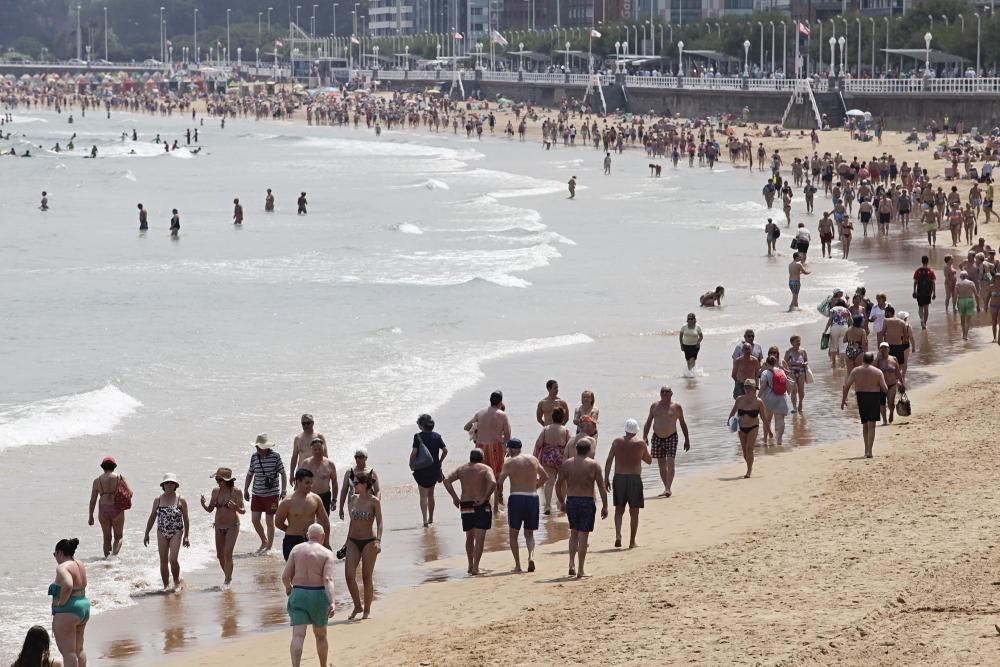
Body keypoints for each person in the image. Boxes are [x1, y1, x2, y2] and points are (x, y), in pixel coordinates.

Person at [282, 523, 336, 667]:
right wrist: (332, 601)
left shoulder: (296, 549)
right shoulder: (326, 553)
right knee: (321, 635)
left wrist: (289, 588)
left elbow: (285, 576)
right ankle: (323, 665)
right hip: (318, 595)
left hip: (298, 593)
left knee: (298, 635)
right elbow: (327, 579)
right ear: (323, 536)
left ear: (307, 536)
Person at [555, 438, 609, 578]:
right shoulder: (593, 465)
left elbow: (558, 484)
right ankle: (580, 569)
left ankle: (571, 564)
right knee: (583, 535)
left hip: (571, 500)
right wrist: (605, 505)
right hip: (587, 501)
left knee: (574, 533)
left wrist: (561, 501)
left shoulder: (567, 464)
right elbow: (601, 487)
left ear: (576, 449)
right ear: (589, 450)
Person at [443, 450, 497, 576]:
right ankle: (476, 568)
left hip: (466, 504)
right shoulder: (485, 468)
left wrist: (455, 498)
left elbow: (446, 480)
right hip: (480, 504)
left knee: (469, 537)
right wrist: (485, 497)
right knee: (480, 538)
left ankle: (470, 565)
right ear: (482, 458)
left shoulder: (462, 469)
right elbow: (493, 482)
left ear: (470, 458)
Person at [496, 438, 546, 572]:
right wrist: (536, 486)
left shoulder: (510, 462)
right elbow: (545, 476)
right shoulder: (533, 459)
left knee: (513, 534)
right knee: (529, 534)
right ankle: (531, 557)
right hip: (532, 498)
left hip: (517, 498)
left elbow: (500, 481)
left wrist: (499, 496)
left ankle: (518, 565)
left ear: (511, 449)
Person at [604, 419, 651, 549]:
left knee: (619, 510)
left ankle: (618, 535)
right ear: (636, 431)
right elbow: (649, 460)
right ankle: (632, 541)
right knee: (634, 512)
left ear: (625, 430)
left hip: (619, 478)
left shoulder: (616, 442)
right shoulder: (640, 443)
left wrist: (606, 479)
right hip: (634, 479)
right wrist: (645, 447)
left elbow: (608, 461)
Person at [343, 472, 382, 619]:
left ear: (366, 485)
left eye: (357, 483)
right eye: (354, 483)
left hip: (369, 541)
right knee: (349, 575)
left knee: (366, 577)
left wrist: (378, 540)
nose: (354, 486)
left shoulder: (374, 501)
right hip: (353, 541)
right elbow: (352, 522)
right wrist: (346, 542)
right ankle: (357, 606)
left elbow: (380, 522)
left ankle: (367, 610)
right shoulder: (353, 499)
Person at [142, 474, 190, 592]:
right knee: (163, 559)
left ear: (175, 485)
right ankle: (165, 585)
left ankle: (176, 582)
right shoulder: (158, 499)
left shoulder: (181, 499)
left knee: (172, 559)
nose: (169, 485)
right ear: (163, 485)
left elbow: (186, 518)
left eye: (171, 483)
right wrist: (146, 533)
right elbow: (152, 517)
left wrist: (186, 536)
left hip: (176, 532)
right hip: (161, 532)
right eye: (167, 483)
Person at [641, 387, 690, 497]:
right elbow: (648, 422)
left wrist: (687, 439)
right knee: (661, 465)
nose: (664, 393)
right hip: (657, 437)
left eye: (666, 392)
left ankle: (667, 488)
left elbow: (683, 423)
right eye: (662, 392)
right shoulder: (654, 406)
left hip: (671, 437)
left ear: (671, 393)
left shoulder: (676, 407)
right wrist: (645, 436)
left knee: (670, 462)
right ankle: (667, 488)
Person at [199, 467, 245, 585]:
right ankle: (228, 576)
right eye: (217, 479)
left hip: (232, 525)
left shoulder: (236, 491)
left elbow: (243, 510)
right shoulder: (215, 491)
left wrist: (236, 507)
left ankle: (227, 581)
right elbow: (210, 509)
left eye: (220, 479)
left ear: (227, 480)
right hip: (219, 526)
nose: (217, 481)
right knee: (220, 555)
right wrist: (203, 504)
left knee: (227, 554)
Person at [244, 433, 287, 554]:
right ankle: (264, 540)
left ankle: (269, 546)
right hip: (257, 493)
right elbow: (250, 474)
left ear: (266, 447)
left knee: (269, 521)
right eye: (257, 447)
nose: (258, 449)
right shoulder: (254, 457)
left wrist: (284, 490)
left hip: (272, 494)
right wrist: (245, 489)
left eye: (260, 447)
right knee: (255, 520)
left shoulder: (275, 456)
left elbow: (283, 473)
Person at [841, 352, 889, 458]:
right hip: (874, 397)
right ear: (872, 360)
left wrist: (843, 400)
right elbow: (885, 388)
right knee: (872, 425)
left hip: (861, 397)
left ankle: (866, 449)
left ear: (863, 359)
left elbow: (846, 386)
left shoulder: (856, 371)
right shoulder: (878, 372)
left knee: (865, 424)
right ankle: (869, 451)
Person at [276, 468, 331, 561]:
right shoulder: (287, 501)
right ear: (298, 482)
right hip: (292, 540)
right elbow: (278, 523)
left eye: (311, 483)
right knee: (293, 573)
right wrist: (291, 530)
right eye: (307, 483)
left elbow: (325, 522)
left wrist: (326, 542)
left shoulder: (316, 499)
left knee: (311, 572)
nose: (310, 485)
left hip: (311, 539)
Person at [48, 538, 87, 667]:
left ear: (59, 552)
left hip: (68, 610)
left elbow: (68, 585)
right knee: (79, 650)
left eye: (55, 554)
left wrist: (61, 602)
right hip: (83, 607)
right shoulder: (79, 564)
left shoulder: (62, 567)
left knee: (69, 653)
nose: (55, 558)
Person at [463, 390, 511, 489]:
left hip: (480, 447)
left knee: (481, 473)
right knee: (497, 474)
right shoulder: (502, 415)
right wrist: (507, 448)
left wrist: (476, 432)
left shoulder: (480, 412)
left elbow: (466, 427)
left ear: (490, 400)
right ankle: (499, 498)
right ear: (500, 401)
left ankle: (484, 498)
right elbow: (507, 435)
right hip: (496, 447)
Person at [87, 456, 129, 559]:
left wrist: (90, 516)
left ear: (102, 467)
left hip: (103, 509)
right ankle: (113, 557)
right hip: (117, 508)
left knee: (106, 538)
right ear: (114, 466)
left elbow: (93, 500)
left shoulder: (97, 481)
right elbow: (129, 493)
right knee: (118, 536)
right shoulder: (120, 477)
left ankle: (107, 560)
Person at [410, 413, 447, 527]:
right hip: (434, 469)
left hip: (421, 469)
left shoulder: (418, 437)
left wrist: (411, 464)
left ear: (421, 425)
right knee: (431, 495)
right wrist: (439, 462)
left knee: (423, 496)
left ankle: (425, 521)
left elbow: (414, 453)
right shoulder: (437, 436)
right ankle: (431, 519)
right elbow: (445, 450)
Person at [533, 407, 570, 514]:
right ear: (563, 419)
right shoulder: (565, 430)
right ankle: (561, 503)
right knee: (563, 482)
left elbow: (539, 443)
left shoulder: (546, 429)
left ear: (552, 418)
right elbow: (570, 444)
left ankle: (548, 506)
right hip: (561, 458)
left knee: (549, 482)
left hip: (548, 457)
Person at [728, 380, 767, 478]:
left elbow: (763, 417)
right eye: (746, 387)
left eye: (750, 387)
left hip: (753, 427)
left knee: (750, 448)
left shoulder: (759, 402)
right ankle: (750, 464)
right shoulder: (739, 399)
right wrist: (729, 421)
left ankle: (749, 471)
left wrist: (769, 430)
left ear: (754, 388)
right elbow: (733, 412)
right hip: (741, 428)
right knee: (745, 451)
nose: (747, 389)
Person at [296, 437, 338, 516]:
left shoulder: (330, 464)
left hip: (325, 496)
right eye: (315, 450)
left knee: (324, 522)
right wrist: (298, 498)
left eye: (319, 449)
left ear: (323, 449)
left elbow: (335, 483)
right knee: (308, 521)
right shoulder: (306, 463)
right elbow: (299, 482)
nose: (318, 452)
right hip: (309, 496)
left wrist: (334, 500)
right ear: (311, 450)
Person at [338, 447, 380, 522]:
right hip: (353, 502)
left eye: (361, 457)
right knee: (355, 523)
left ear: (366, 458)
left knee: (367, 523)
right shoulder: (349, 472)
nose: (358, 459)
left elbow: (377, 490)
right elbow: (344, 490)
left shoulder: (371, 472)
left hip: (368, 501)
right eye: (356, 457)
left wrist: (376, 503)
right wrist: (341, 508)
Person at [758, 356, 790, 446]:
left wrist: (758, 397)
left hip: (768, 399)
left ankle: (765, 439)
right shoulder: (782, 371)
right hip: (781, 398)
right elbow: (786, 385)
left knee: (767, 420)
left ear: (766, 363)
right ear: (776, 362)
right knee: (780, 420)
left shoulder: (765, 373)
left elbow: (763, 387)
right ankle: (779, 440)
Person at [876, 343, 905, 424]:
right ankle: (884, 420)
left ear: (889, 349)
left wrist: (901, 383)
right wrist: (877, 359)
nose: (884, 349)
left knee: (890, 402)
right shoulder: (877, 360)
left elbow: (898, 372)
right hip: (881, 385)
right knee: (882, 404)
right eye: (882, 348)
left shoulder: (894, 359)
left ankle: (891, 413)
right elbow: (872, 370)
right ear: (879, 349)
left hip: (892, 384)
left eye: (885, 348)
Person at [784, 335, 810, 413]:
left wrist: (805, 364)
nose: (798, 342)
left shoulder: (803, 351)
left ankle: (800, 403)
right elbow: (784, 363)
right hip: (792, 372)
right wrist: (791, 365)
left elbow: (806, 361)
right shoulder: (788, 352)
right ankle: (794, 407)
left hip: (801, 372)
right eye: (796, 341)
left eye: (799, 341)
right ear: (792, 342)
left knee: (801, 391)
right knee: (794, 390)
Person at [913, 255, 937, 329]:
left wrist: (914, 291)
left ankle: (921, 320)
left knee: (920, 308)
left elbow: (915, 282)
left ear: (922, 261)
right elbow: (933, 283)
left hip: (919, 292)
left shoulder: (918, 271)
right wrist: (934, 293)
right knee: (926, 308)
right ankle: (925, 323)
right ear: (928, 261)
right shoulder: (931, 271)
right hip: (928, 293)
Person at [955, 270, 980, 340]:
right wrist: (978, 305)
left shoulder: (958, 284)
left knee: (962, 320)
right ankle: (965, 335)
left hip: (961, 301)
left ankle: (963, 334)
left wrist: (954, 306)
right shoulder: (971, 283)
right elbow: (976, 295)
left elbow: (954, 296)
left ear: (960, 276)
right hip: (969, 300)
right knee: (968, 320)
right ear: (967, 276)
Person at [987, 273, 1000, 344]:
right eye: (997, 278)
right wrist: (985, 305)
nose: (998, 279)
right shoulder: (991, 287)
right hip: (993, 306)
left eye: (999, 278)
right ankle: (994, 338)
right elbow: (988, 296)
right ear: (994, 279)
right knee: (994, 322)